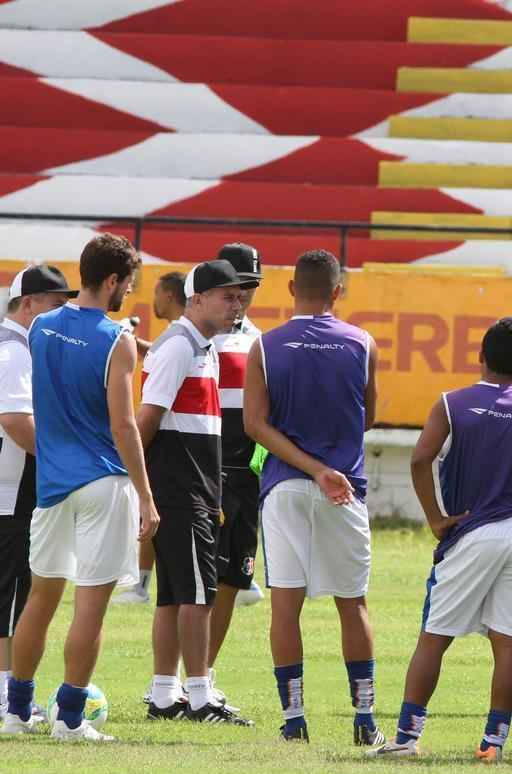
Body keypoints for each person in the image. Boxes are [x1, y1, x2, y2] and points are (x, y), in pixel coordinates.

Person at [368, 318, 512, 761]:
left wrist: (435, 518)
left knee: (434, 636)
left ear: (481, 357)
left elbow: (419, 460)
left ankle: (407, 739)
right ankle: (493, 744)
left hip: (471, 532)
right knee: (507, 642)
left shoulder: (452, 403)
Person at [2, 233, 159, 741]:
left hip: (50, 484)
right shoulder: (119, 339)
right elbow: (124, 426)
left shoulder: (42, 326)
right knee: (89, 605)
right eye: (128, 285)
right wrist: (147, 496)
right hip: (103, 481)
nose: (128, 294)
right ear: (112, 280)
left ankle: (18, 710)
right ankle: (70, 718)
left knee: (40, 600)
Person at [243, 249, 382, 745]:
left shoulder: (266, 346)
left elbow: (254, 424)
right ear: (337, 291)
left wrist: (308, 466)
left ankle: (294, 719)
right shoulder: (363, 343)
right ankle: (364, 720)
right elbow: (367, 417)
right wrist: (327, 467)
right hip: (344, 487)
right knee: (353, 604)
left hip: (284, 486)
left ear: (290, 290)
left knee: (286, 604)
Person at [139, 260, 257, 726]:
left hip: (192, 490)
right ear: (198, 299)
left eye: (239, 295)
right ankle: (201, 695)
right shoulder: (179, 345)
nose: (237, 302)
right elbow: (145, 420)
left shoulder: (198, 345)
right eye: (227, 295)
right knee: (199, 595)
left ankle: (165, 695)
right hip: (180, 490)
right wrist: (142, 487)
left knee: (172, 596)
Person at [0, 266, 76, 719]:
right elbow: (14, 420)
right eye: (54, 304)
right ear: (27, 303)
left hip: (13, 485)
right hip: (10, 488)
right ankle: (7, 694)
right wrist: (59, 458)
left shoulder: (18, 347)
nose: (60, 314)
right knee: (11, 591)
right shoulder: (15, 351)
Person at [205, 243, 265, 715]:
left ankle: (205, 677)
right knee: (196, 584)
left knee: (232, 582)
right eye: (236, 287)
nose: (242, 296)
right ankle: (174, 684)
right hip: (204, 474)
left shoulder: (260, 340)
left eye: (249, 287)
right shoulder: (194, 336)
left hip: (248, 478)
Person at [118, 270, 189, 605]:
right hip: (177, 446)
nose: (153, 300)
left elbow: (153, 409)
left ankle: (142, 586)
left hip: (169, 443)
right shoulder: (177, 337)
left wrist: (130, 450)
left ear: (171, 296)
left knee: (151, 509)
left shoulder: (180, 337)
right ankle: (143, 586)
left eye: (158, 293)